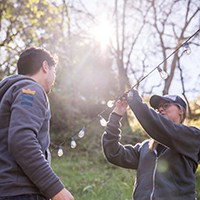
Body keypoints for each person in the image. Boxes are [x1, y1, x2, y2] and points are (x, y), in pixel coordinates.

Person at [0, 47, 74, 200]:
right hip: (20, 192)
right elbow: (21, 140)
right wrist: (56, 190)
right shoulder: (31, 89)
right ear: (45, 66)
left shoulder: (7, 93)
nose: (54, 77)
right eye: (54, 71)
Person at [102, 89, 200, 200]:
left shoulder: (193, 136)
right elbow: (113, 153)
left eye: (166, 105)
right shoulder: (144, 147)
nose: (160, 109)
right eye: (158, 108)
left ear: (180, 110)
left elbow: (159, 127)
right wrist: (116, 116)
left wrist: (134, 99)